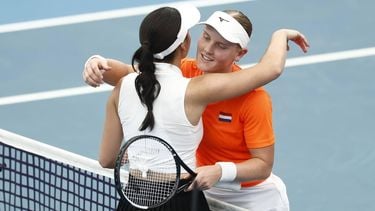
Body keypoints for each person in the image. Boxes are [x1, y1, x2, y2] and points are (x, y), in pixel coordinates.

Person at [87, 7, 309, 211]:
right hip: (198, 186)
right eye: (206, 37)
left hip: (249, 196)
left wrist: (220, 170)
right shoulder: (186, 72)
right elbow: (130, 72)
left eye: (221, 46)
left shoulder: (254, 99)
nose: (207, 50)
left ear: (240, 54)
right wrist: (98, 63)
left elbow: (263, 166)